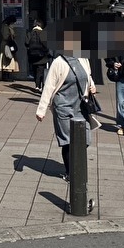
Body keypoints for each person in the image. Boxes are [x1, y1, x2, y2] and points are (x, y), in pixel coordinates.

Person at [34, 51, 97, 181]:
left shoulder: (83, 59)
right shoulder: (58, 62)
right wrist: (42, 109)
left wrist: (92, 85)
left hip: (80, 106)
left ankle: (76, 167)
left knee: (85, 140)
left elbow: (88, 75)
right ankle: (71, 173)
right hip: (63, 106)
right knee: (68, 141)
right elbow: (49, 86)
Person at [26, 19, 49, 93]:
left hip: (32, 56)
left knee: (35, 71)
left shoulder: (30, 33)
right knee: (41, 71)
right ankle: (39, 86)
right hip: (42, 56)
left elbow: (26, 43)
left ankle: (37, 85)